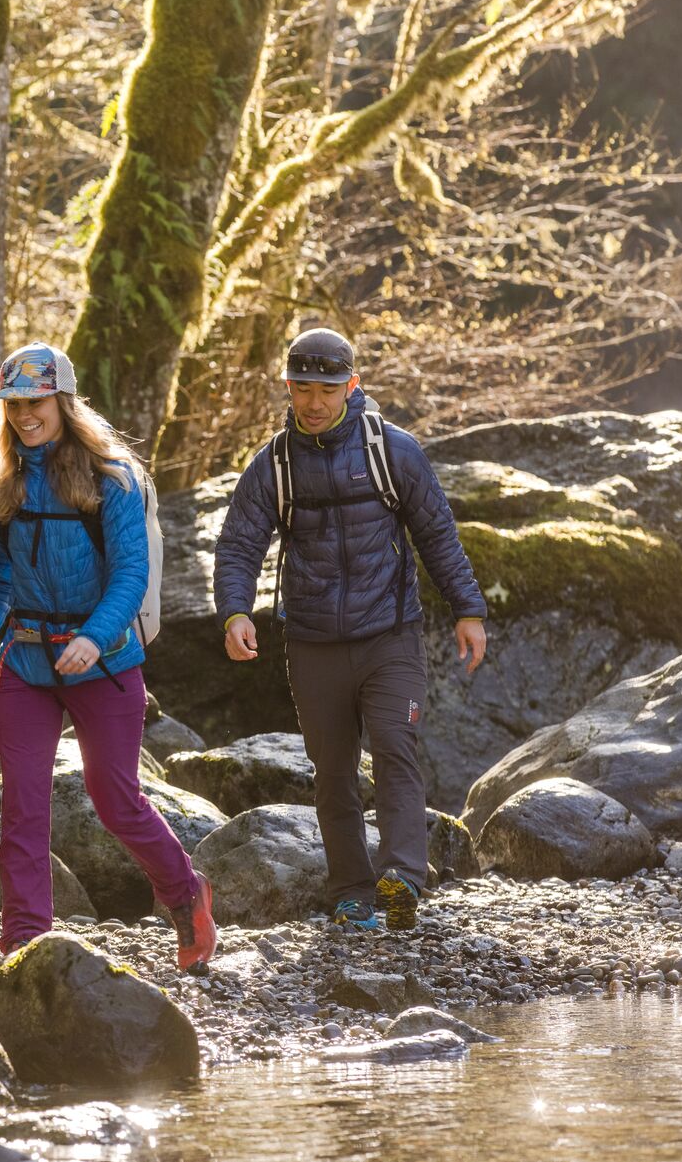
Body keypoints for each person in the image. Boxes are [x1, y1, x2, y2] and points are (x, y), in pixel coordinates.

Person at [0, 341, 217, 973]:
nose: (23, 415)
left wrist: (93, 637)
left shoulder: (111, 479)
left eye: (35, 401)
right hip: (28, 666)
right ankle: (25, 944)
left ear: (63, 400)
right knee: (22, 807)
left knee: (115, 799)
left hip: (106, 664)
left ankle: (184, 894)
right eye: (12, 404)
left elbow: (131, 575)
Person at [213, 327, 487, 931]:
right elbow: (238, 545)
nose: (314, 401)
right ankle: (352, 891)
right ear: (287, 387)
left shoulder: (394, 452)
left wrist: (469, 610)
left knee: (395, 748)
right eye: (302, 388)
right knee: (332, 770)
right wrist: (235, 611)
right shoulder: (274, 466)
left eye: (328, 389)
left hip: (390, 635)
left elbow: (437, 534)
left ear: (352, 386)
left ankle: (402, 880)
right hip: (311, 642)